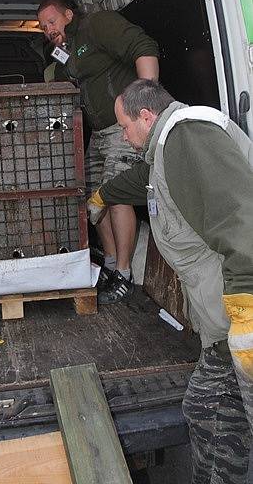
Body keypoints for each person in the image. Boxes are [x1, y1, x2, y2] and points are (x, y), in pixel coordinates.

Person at [88, 78, 253, 483]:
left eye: (125, 127)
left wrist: (246, 311)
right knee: (205, 407)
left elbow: (239, 218)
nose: (124, 138)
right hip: (223, 326)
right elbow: (146, 180)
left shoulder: (189, 133)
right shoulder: (166, 148)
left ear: (146, 116)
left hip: (244, 313)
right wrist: (102, 196)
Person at [37, 0, 159, 303]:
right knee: (91, 198)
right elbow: (65, 82)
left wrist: (146, 106)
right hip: (97, 134)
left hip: (123, 129)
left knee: (115, 195)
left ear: (69, 13)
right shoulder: (64, 49)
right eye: (42, 27)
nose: (47, 29)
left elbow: (143, 46)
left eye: (51, 21)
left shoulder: (96, 24)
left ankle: (125, 273)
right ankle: (108, 262)